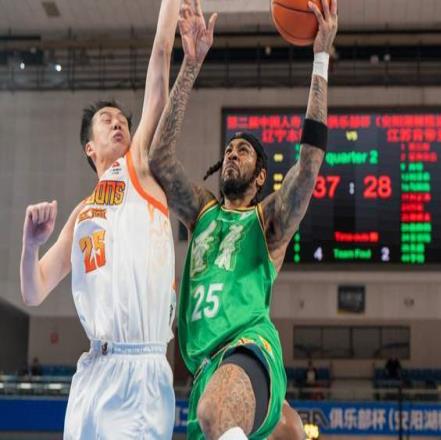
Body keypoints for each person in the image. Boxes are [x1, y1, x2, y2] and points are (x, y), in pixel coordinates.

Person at [148, 0, 338, 437]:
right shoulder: (202, 211)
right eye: (229, 150)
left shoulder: (268, 222)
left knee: (217, 410)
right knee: (229, 418)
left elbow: (309, 162)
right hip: (204, 371)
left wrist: (321, 58)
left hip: (250, 347)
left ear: (261, 176)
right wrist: (190, 66)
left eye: (244, 151)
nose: (232, 154)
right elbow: (159, 160)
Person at [19, 0, 180, 437]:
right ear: (89, 148)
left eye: (123, 120)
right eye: (107, 121)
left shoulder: (138, 167)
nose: (118, 124)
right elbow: (33, 292)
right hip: (93, 373)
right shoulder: (81, 213)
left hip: (140, 370)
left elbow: (160, 58)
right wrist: (31, 245)